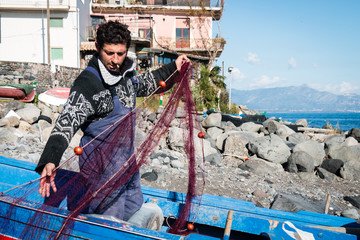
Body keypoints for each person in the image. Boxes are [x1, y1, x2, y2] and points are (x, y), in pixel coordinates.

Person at [36, 20, 189, 221]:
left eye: (120, 53)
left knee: (134, 208)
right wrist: (50, 158)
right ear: (98, 48)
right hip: (100, 169)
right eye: (109, 53)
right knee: (110, 221)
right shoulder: (87, 83)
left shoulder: (124, 75)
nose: (115, 59)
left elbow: (145, 84)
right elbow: (67, 121)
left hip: (127, 162)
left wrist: (173, 67)